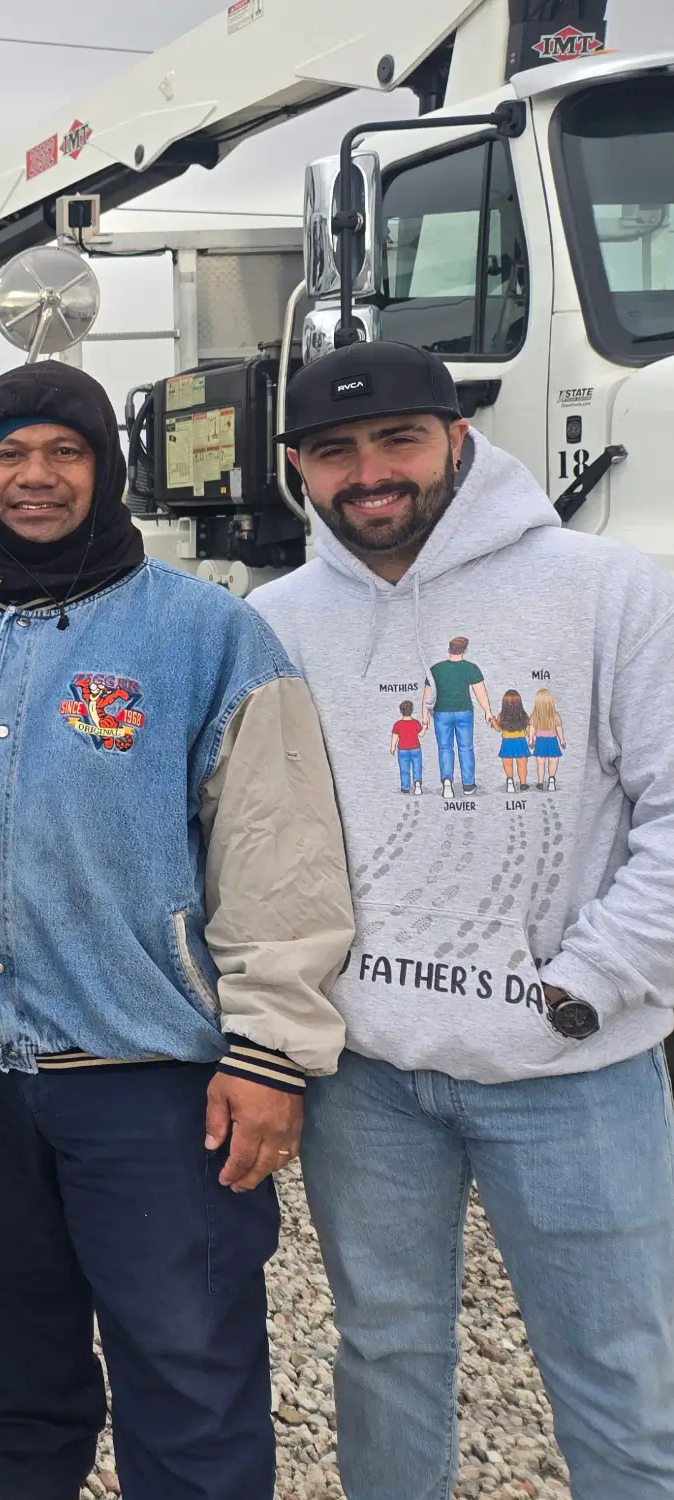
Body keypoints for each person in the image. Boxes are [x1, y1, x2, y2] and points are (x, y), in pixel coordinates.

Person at [0, 360, 353, 1500]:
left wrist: (271, 1054)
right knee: (12, 1373)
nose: (35, 477)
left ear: (105, 468)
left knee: (189, 1373)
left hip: (152, 1084)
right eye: (8, 452)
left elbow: (278, 856)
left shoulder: (208, 636)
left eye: (64, 451)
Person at [256, 337, 674, 1500]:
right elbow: (261, 842)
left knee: (619, 1381)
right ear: (298, 467)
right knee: (384, 1361)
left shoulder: (612, 592)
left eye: (396, 439)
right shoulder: (279, 619)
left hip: (574, 1069)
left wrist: (586, 985)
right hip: (373, 1078)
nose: (369, 473)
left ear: (459, 439)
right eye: (334, 452)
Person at [427, 634, 492, 797]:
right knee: (466, 748)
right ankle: (468, 785)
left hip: (441, 712)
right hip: (464, 712)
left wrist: (424, 716)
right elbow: (480, 693)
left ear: (449, 649)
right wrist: (488, 711)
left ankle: (447, 781)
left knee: (445, 748)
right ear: (465, 650)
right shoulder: (471, 668)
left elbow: (427, 696)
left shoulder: (435, 669)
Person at [392, 700, 426, 795]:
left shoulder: (398, 724)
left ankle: (405, 787)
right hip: (416, 748)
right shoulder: (416, 723)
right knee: (417, 767)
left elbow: (395, 736)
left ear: (401, 711)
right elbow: (421, 734)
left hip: (402, 749)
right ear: (412, 710)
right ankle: (417, 783)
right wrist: (425, 726)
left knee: (404, 769)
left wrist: (393, 747)